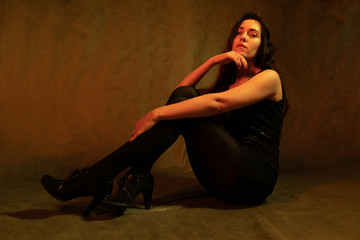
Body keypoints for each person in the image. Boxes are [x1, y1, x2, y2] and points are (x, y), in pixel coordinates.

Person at [41, 12, 288, 217]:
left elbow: (216, 104)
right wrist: (213, 61)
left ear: (262, 45)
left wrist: (156, 114)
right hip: (221, 179)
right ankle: (129, 176)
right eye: (239, 32)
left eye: (252, 34)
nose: (243, 37)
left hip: (253, 179)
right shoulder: (229, 83)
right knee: (185, 101)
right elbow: (180, 93)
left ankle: (103, 176)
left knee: (182, 108)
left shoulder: (269, 78)